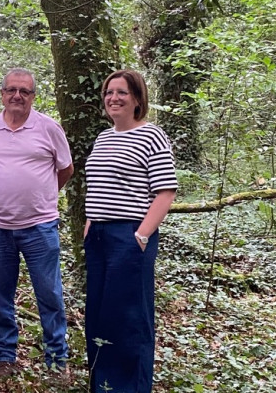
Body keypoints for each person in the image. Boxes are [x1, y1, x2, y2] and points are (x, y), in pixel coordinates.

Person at [0, 68, 73, 375]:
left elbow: (65, 170)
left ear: (33, 97)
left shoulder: (49, 128)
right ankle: (5, 356)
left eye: (24, 91)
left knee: (50, 294)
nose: (17, 96)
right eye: (11, 90)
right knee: (0, 294)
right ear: (1, 94)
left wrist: (40, 197)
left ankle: (57, 359)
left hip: (40, 227)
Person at [83, 69, 178, 393]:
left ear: (137, 99)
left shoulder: (152, 136)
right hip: (98, 238)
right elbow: (97, 186)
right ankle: (104, 385)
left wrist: (140, 236)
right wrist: (89, 223)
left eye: (122, 92)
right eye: (109, 92)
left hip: (130, 237)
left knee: (129, 319)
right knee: (99, 315)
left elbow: (165, 191)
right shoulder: (104, 137)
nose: (113, 98)